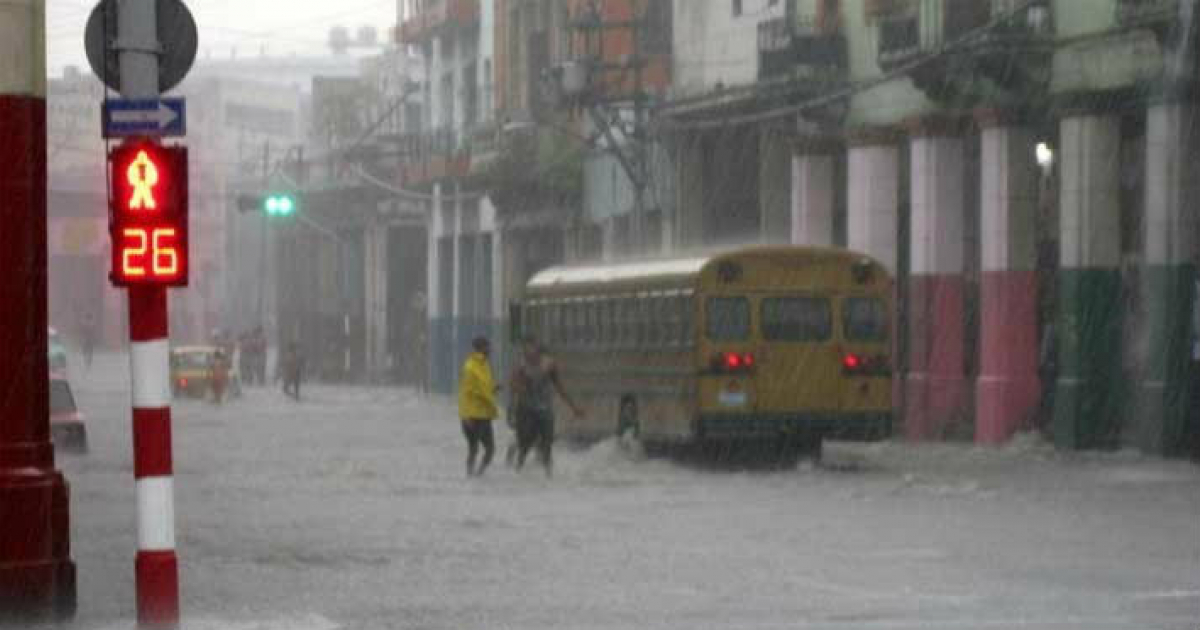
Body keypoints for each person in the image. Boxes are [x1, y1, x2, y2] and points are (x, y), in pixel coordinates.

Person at [509, 338, 583, 477]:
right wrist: (520, 388)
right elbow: (513, 385)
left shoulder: (549, 364)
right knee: (525, 445)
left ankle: (549, 476)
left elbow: (560, 387)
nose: (528, 352)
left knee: (547, 445)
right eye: (526, 349)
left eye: (531, 348)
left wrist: (574, 408)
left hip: (544, 410)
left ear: (538, 351)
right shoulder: (521, 365)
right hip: (526, 410)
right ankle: (518, 473)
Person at [458, 337, 500, 478]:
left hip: (484, 415)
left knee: (490, 449)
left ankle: (478, 474)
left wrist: (494, 388)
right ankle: (470, 474)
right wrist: (465, 416)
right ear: (481, 348)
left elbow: (483, 388)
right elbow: (466, 392)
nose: (490, 350)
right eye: (488, 347)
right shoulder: (470, 367)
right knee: (474, 448)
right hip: (473, 416)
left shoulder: (485, 365)